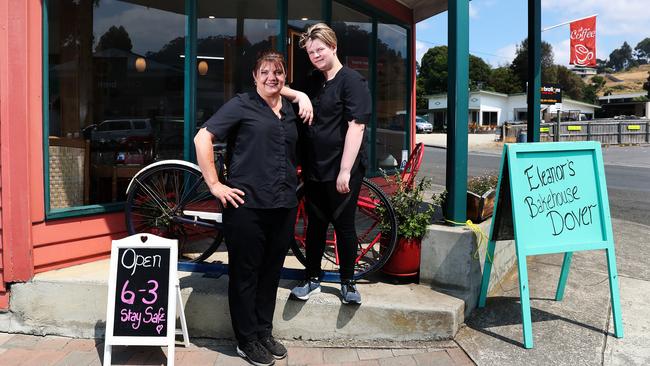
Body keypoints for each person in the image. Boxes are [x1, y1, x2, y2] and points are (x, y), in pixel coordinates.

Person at [194, 50, 299, 366]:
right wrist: (215, 185)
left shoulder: (290, 110)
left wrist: (302, 96)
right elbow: (203, 137)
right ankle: (246, 340)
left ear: (284, 77)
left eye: (278, 72)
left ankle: (263, 332)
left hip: (283, 205)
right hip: (246, 206)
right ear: (255, 77)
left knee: (271, 273)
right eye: (265, 72)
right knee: (246, 274)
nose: (272, 77)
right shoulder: (242, 104)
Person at [283, 23, 371, 305]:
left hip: (342, 168)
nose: (316, 55)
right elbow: (278, 88)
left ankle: (348, 282)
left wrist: (345, 169)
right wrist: (300, 95)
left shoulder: (352, 81)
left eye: (320, 49)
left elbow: (357, 127)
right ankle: (312, 278)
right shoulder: (312, 80)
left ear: (333, 47)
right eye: (311, 52)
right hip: (314, 167)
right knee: (315, 226)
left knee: (343, 226)